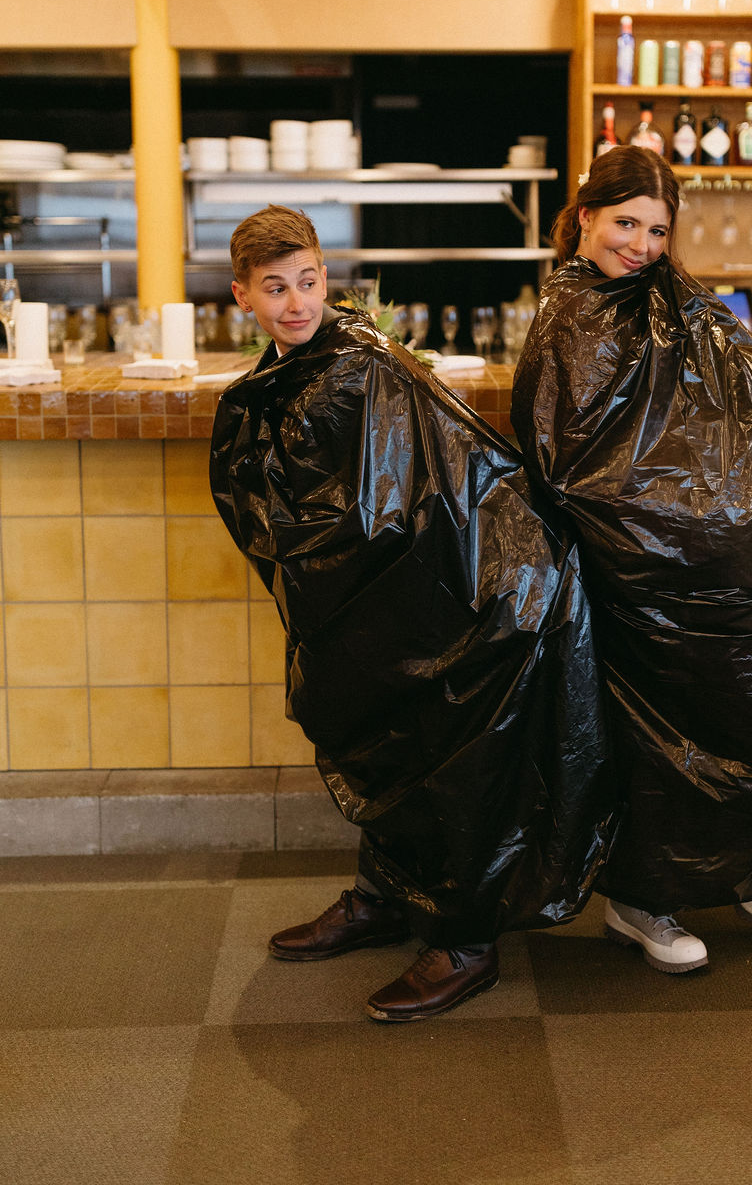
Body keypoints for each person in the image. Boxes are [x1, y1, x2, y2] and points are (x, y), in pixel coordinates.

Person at [209, 205, 615, 1021]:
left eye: (310, 281)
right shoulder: (287, 374)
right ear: (242, 295)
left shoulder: (366, 364)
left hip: (467, 597)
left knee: (448, 752)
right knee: (381, 740)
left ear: (329, 275)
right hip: (379, 604)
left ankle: (465, 941)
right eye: (277, 288)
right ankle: (385, 896)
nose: (297, 303)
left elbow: (412, 495)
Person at [510, 146, 752, 974]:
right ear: (587, 216)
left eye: (656, 230)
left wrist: (733, 517)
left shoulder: (691, 310)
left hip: (728, 562)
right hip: (636, 571)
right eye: (625, 223)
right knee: (651, 730)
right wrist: (665, 527)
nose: (638, 244)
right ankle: (643, 897)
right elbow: (569, 462)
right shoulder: (566, 319)